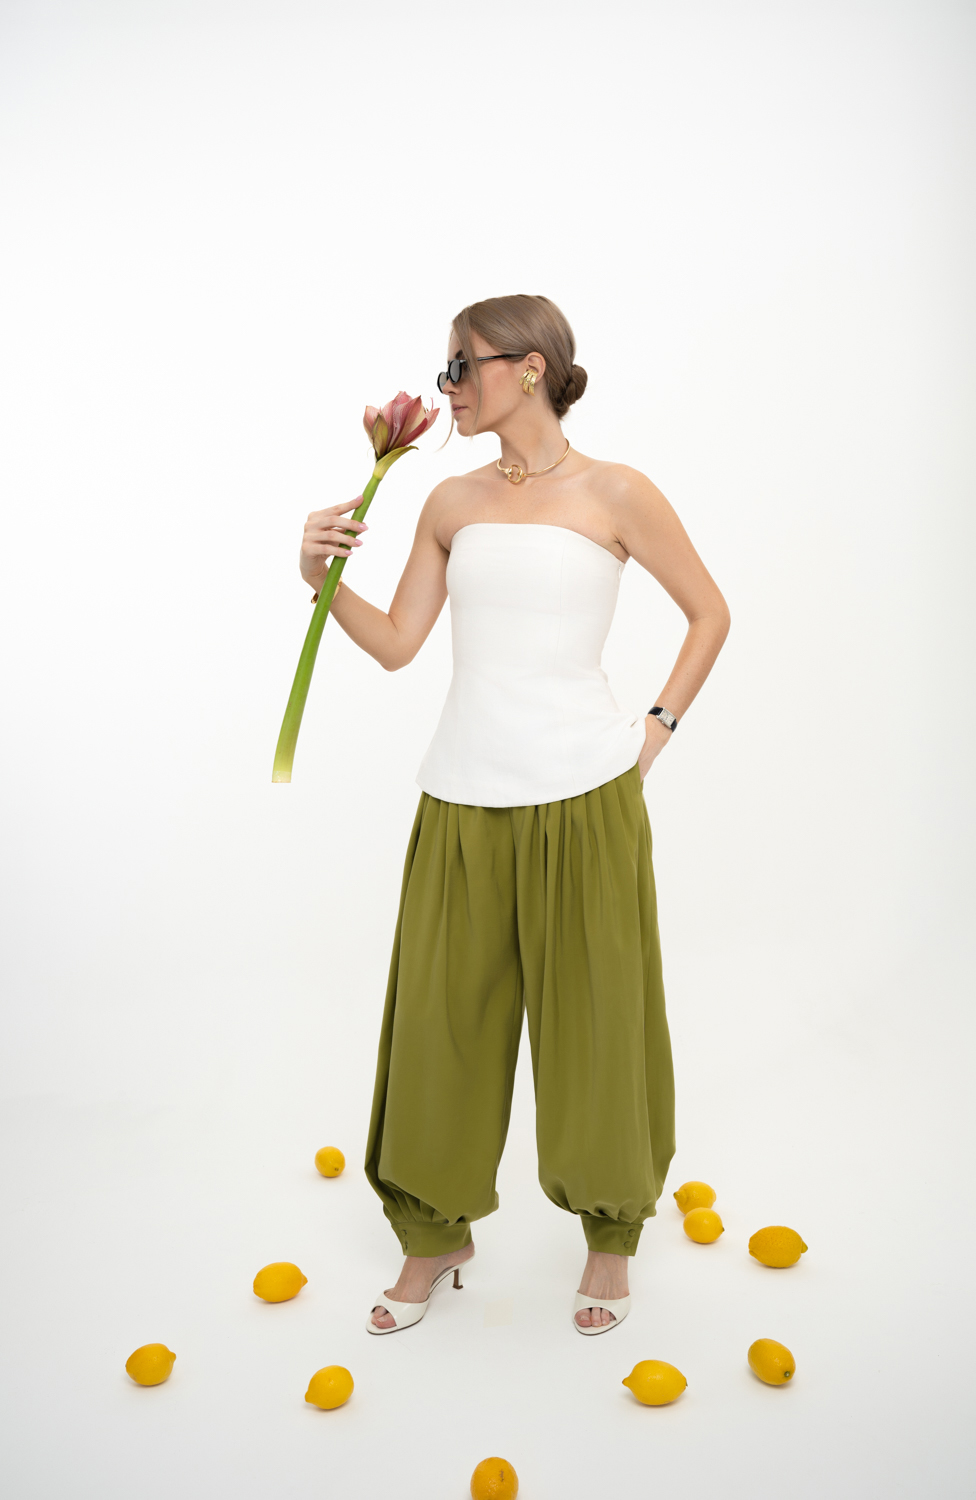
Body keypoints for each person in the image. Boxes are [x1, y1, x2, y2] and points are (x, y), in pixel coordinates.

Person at [298, 294, 731, 1335]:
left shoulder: (617, 491)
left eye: (462, 366)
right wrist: (319, 579)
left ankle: (609, 1238)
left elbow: (709, 612)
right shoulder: (448, 500)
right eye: (444, 369)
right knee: (439, 1028)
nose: (446, 386)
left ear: (528, 367)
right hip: (461, 795)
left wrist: (654, 732)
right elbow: (399, 643)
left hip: (586, 794)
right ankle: (433, 1235)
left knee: (597, 1027)